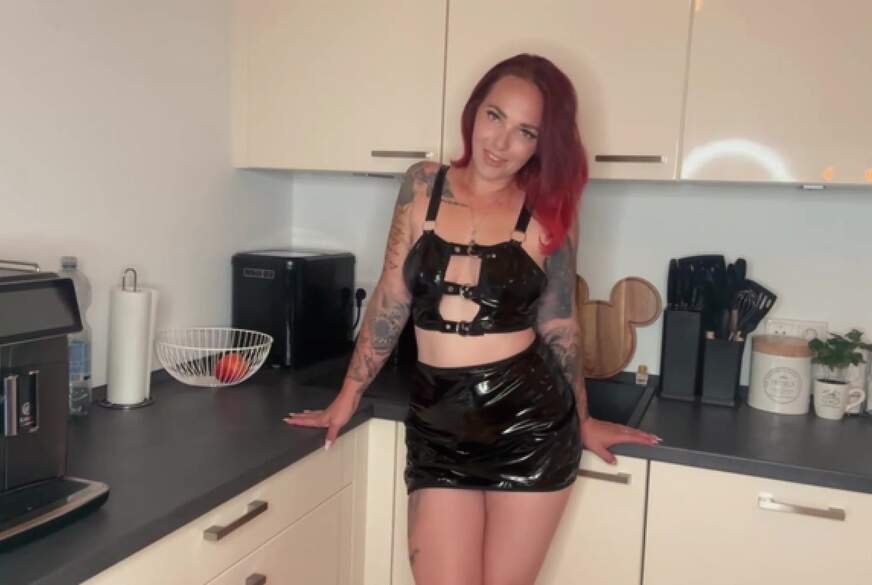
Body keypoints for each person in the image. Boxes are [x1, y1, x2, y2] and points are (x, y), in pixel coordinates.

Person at [285, 53, 660, 585]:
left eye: (526, 131)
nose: (501, 143)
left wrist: (584, 418)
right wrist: (346, 398)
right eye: (495, 116)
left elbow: (560, 324)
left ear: (542, 144)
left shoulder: (550, 211)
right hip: (438, 420)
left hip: (530, 423)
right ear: (474, 111)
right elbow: (391, 297)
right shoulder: (422, 185)